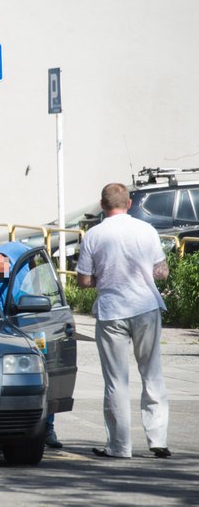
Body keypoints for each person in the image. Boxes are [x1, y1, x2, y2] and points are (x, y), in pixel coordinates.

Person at [76, 183, 171, 459]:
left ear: (102, 205)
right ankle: (158, 440)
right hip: (145, 308)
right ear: (128, 203)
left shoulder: (93, 235)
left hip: (111, 311)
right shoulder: (146, 230)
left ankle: (119, 446)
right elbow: (161, 271)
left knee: (116, 380)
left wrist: (102, 278)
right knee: (152, 373)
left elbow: (83, 281)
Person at [0, 242, 63, 449]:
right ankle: (6, 431)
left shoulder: (16, 251)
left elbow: (39, 261)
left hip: (36, 321)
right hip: (9, 332)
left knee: (47, 376)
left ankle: (47, 428)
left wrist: (40, 284)